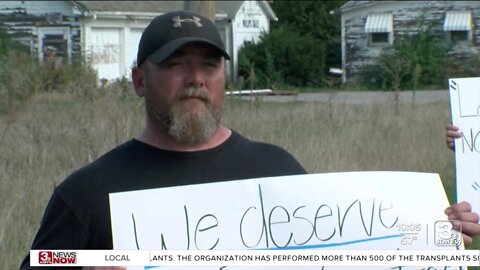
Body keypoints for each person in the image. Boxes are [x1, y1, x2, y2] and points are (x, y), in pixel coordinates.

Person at [20, 10, 479, 270]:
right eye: (175, 64)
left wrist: (439, 233)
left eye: (209, 65)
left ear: (224, 76)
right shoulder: (84, 196)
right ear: (140, 80)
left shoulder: (279, 172)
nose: (194, 78)